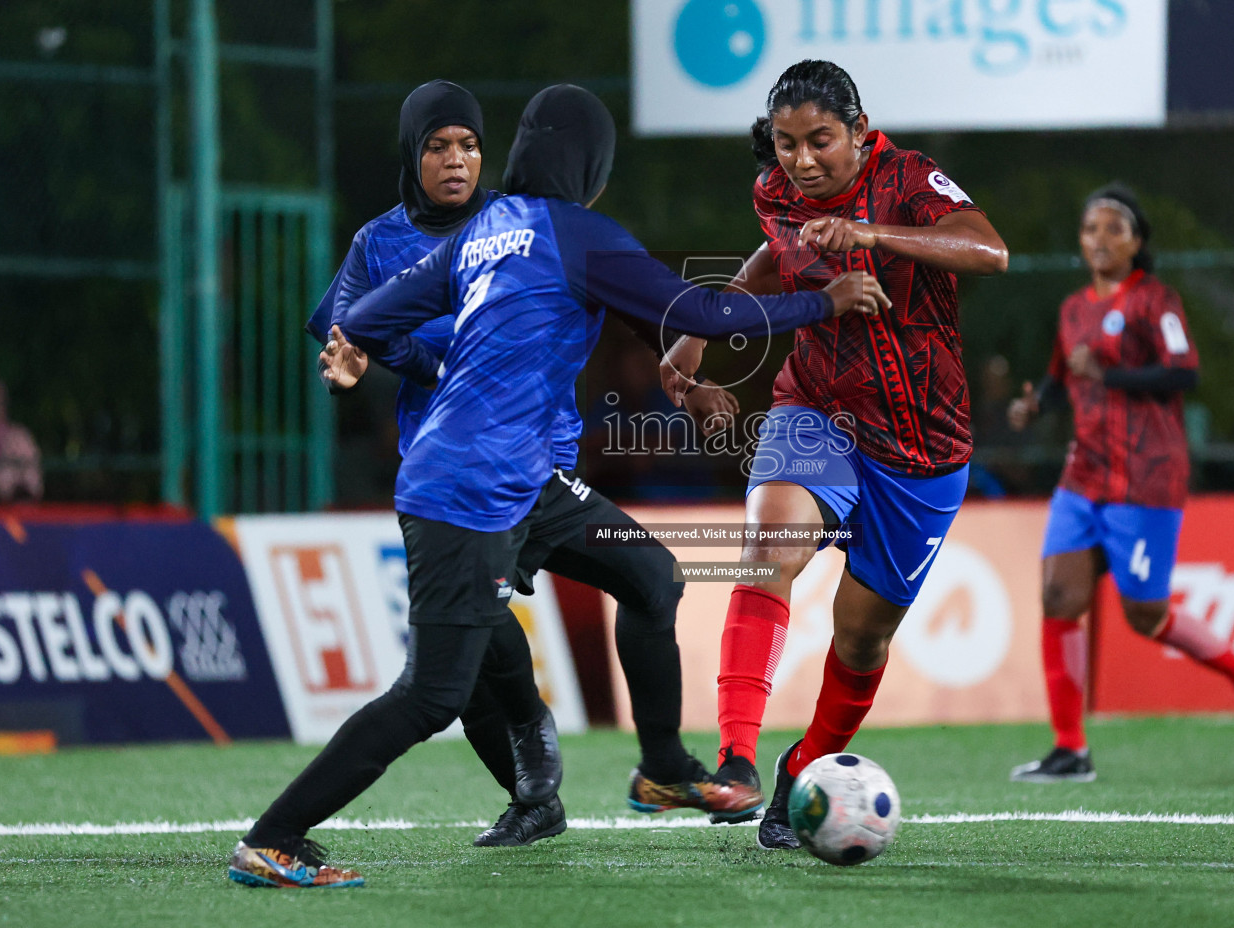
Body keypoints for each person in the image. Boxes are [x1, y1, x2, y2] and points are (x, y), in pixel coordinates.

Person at [227, 84, 886, 887]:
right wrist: (826, 298)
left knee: (651, 575)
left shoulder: (485, 234)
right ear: (592, 166)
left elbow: (367, 314)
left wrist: (352, 352)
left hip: (525, 480)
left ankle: (662, 768)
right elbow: (706, 315)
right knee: (431, 696)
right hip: (467, 490)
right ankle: (275, 837)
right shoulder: (579, 234)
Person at [659, 59, 1009, 849]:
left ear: (859, 132)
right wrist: (693, 341)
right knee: (768, 546)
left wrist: (873, 234)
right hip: (816, 407)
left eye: (820, 141)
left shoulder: (909, 179)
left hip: (923, 444)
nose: (802, 160)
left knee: (860, 635)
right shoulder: (775, 194)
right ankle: (737, 762)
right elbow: (768, 259)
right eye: (785, 144)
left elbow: (991, 253)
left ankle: (802, 768)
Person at [305, 79, 568, 850]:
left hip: (526, 445)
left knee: (463, 631)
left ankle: (532, 737)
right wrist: (345, 361)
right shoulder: (378, 242)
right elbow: (343, 330)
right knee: (464, 641)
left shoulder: (517, 224)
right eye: (438, 146)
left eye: (469, 145)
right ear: (412, 156)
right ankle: (532, 796)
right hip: (440, 460)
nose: (457, 160)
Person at [1006, 183, 1234, 784]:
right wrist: (1036, 404)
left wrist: (1111, 372)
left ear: (1137, 242)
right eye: (1090, 229)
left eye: (1114, 229)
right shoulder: (1074, 308)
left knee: (1144, 613)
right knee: (1058, 598)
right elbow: (1060, 379)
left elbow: (1184, 372)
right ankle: (1070, 749)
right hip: (1084, 475)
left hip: (1146, 476)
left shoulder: (1157, 300)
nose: (1099, 240)